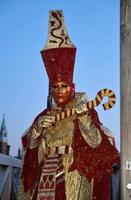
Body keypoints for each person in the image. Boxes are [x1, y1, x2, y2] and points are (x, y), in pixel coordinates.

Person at [18, 10, 119, 200]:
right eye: (55, 87)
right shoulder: (42, 116)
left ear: (72, 87)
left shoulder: (85, 110)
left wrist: (84, 120)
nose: (59, 91)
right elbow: (30, 155)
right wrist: (36, 133)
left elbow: (97, 144)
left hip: (74, 178)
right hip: (44, 181)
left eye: (64, 86)